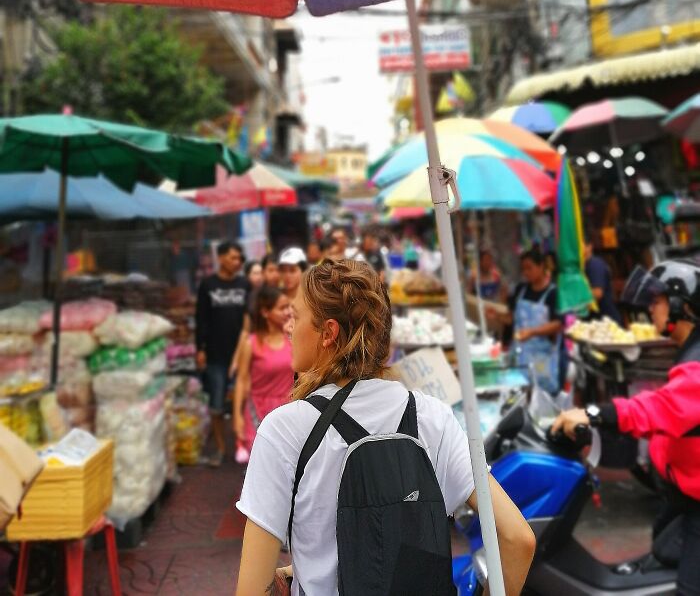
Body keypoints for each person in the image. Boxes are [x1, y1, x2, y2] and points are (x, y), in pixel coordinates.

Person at [236, 258, 535, 596]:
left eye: (297, 317)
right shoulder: (431, 417)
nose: (289, 328)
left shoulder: (285, 430)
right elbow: (518, 540)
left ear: (328, 332)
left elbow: (252, 589)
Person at [553, 260, 700, 596]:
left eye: (657, 300)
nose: (650, 309)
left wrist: (593, 412)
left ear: (683, 306)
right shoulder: (689, 353)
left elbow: (658, 408)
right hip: (680, 498)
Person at [195, 241, 250, 467]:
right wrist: (200, 349)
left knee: (244, 403)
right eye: (233, 257)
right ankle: (219, 448)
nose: (237, 262)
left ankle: (243, 445)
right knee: (216, 406)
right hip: (215, 356)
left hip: (243, 355)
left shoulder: (245, 284)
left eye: (239, 258)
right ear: (221, 258)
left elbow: (249, 320)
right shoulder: (208, 285)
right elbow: (201, 319)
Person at [233, 286, 293, 465]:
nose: (288, 312)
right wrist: (237, 416)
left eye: (288, 307)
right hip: (257, 413)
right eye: (282, 308)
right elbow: (242, 380)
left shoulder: (292, 339)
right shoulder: (250, 343)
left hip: (287, 411)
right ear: (266, 312)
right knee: (261, 466)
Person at [494, 249, 562, 393]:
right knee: (518, 393)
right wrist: (496, 316)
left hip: (542, 358)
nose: (525, 272)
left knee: (540, 396)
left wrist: (532, 332)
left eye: (529, 268)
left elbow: (557, 324)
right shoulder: (521, 290)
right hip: (519, 355)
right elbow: (512, 319)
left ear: (541, 266)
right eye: (523, 269)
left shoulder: (553, 293)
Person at [583, 237, 622, 323]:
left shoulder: (595, 264)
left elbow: (597, 293)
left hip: (607, 322)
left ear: (589, 247)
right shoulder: (583, 267)